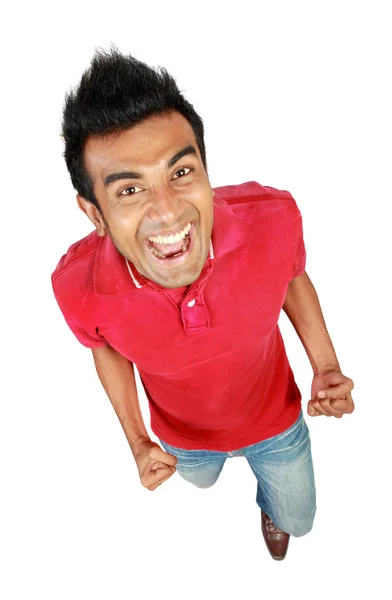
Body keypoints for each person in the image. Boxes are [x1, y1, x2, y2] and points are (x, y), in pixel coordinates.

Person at [51, 47, 355, 561]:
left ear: (206, 170)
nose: (168, 211)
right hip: (183, 439)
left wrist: (325, 366)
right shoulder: (75, 285)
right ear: (94, 212)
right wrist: (137, 439)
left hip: (277, 422)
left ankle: (271, 504)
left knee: (299, 523)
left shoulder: (273, 218)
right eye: (129, 189)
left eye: (181, 173)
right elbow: (101, 343)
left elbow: (292, 275)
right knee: (201, 483)